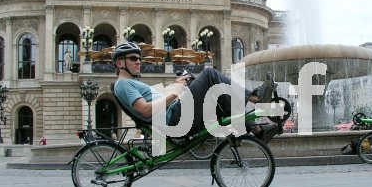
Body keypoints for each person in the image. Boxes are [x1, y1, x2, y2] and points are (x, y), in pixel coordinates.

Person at [111, 42, 279, 143]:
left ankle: (258, 130)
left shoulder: (131, 83)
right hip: (174, 120)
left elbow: (156, 104)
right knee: (209, 74)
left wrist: (176, 87)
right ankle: (255, 97)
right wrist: (176, 93)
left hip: (174, 116)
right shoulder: (123, 84)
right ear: (119, 63)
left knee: (218, 94)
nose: (138, 62)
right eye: (133, 58)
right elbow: (147, 110)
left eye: (139, 59)